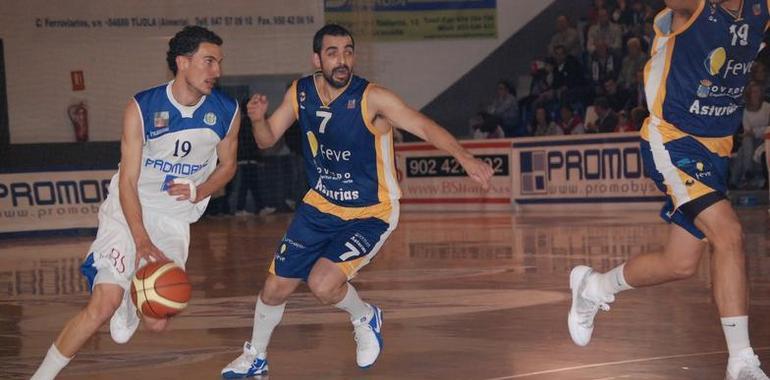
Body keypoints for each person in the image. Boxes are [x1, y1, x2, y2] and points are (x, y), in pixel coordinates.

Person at [221, 24, 493, 377]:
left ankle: (365, 316)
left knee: (322, 284)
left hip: (370, 212)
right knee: (274, 288)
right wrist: (257, 120)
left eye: (348, 51)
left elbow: (423, 126)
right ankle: (256, 356)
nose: (342, 60)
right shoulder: (300, 92)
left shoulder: (373, 98)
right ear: (316, 59)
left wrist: (465, 157)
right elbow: (267, 138)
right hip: (320, 205)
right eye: (333, 53)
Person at [568, 1, 770, 379]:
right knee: (729, 234)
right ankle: (741, 362)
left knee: (679, 263)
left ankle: (594, 286)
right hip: (674, 140)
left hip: (719, 147)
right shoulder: (693, 5)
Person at [31, 26, 240, 380]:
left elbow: (228, 165)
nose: (216, 71)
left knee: (158, 322)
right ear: (183, 62)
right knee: (102, 305)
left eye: (219, 62)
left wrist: (200, 190)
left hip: (174, 219)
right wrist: (141, 240)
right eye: (208, 61)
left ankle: (129, 298)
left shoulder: (227, 111)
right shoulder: (142, 108)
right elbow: (127, 180)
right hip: (130, 210)